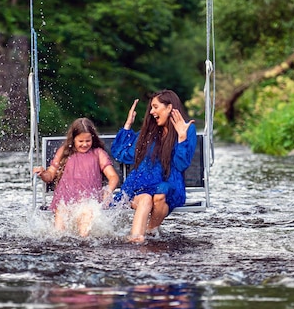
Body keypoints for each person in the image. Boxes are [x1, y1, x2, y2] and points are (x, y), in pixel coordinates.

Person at [111, 89, 196, 243]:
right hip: (142, 184)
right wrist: (128, 124)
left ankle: (150, 229)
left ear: (169, 107)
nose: (151, 112)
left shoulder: (187, 129)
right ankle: (138, 238)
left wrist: (182, 137)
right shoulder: (149, 133)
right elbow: (121, 154)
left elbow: (181, 164)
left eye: (155, 107)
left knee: (160, 193)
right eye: (151, 107)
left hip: (170, 184)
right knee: (146, 199)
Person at [33, 117, 119, 237]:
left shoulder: (98, 153)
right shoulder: (64, 152)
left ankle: (84, 248)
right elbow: (50, 175)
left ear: (92, 138)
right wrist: (42, 173)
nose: (84, 144)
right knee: (58, 233)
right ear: (73, 139)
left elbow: (113, 177)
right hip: (65, 201)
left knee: (85, 219)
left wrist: (108, 190)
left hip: (88, 201)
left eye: (88, 141)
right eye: (80, 141)